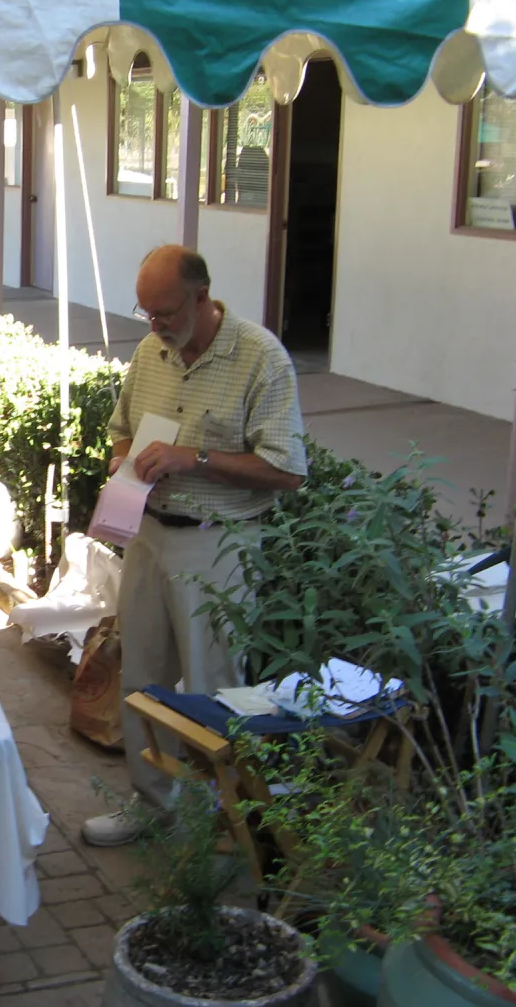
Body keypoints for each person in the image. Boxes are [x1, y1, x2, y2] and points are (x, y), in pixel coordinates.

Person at [81, 245, 307, 848]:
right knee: (142, 677)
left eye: (164, 312)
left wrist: (195, 458)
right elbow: (120, 430)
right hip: (150, 532)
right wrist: (123, 463)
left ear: (201, 296)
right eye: (145, 312)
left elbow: (287, 471)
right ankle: (151, 804)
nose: (153, 325)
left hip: (219, 546)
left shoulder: (261, 357)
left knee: (214, 688)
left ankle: (220, 823)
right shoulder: (149, 352)